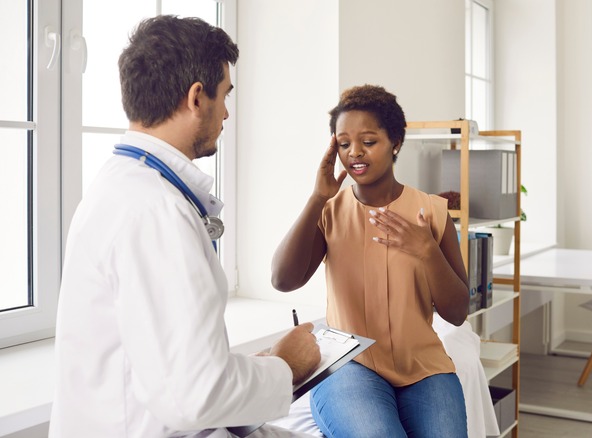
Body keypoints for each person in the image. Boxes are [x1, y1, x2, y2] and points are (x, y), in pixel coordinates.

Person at [49, 15, 320, 438]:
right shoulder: (155, 212)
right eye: (225, 95)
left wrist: (250, 369)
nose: (227, 112)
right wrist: (285, 367)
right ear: (197, 98)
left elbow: (173, 362)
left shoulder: (122, 184)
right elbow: (194, 396)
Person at [271, 85, 470, 437]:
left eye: (368, 141)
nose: (355, 153)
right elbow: (283, 280)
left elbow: (456, 313)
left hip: (423, 367)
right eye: (343, 143)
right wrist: (318, 198)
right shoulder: (329, 211)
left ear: (395, 142)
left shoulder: (434, 212)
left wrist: (427, 251)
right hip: (349, 364)